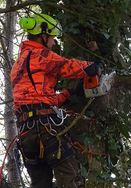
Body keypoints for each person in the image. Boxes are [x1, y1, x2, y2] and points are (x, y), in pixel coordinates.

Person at [10, 13, 99, 188]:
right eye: (52, 38)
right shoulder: (39, 54)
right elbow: (65, 66)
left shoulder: (19, 64)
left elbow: (36, 99)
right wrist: (90, 67)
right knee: (69, 179)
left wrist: (67, 93)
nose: (53, 42)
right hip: (45, 129)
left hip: (26, 133)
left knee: (40, 184)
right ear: (43, 36)